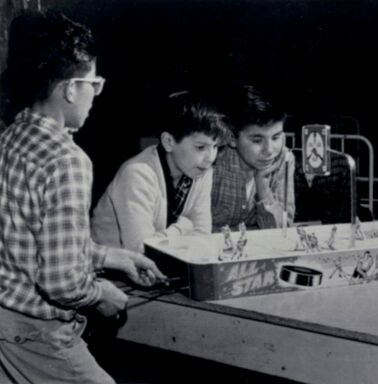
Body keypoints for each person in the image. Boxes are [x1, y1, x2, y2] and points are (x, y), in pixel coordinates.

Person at [0, 11, 165, 383]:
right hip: (39, 333)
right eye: (94, 83)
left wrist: (111, 256)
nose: (95, 94)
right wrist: (100, 294)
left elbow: (28, 240)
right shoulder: (67, 159)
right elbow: (60, 281)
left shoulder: (12, 138)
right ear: (71, 88)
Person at [91, 91, 229, 251]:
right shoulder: (137, 174)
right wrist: (183, 227)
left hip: (160, 268)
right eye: (200, 147)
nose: (210, 157)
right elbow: (142, 249)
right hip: (110, 271)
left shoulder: (201, 169)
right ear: (169, 141)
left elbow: (202, 236)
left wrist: (178, 235)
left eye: (215, 147)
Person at [211, 85, 294, 231]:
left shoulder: (285, 159)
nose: (269, 151)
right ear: (232, 138)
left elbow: (282, 231)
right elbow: (196, 229)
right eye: (257, 140)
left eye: (276, 137)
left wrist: (263, 187)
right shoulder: (213, 159)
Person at [294, 150, 374, 224]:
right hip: (311, 218)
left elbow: (351, 201)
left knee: (364, 215)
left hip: (339, 217)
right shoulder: (294, 164)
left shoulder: (342, 162)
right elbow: (298, 207)